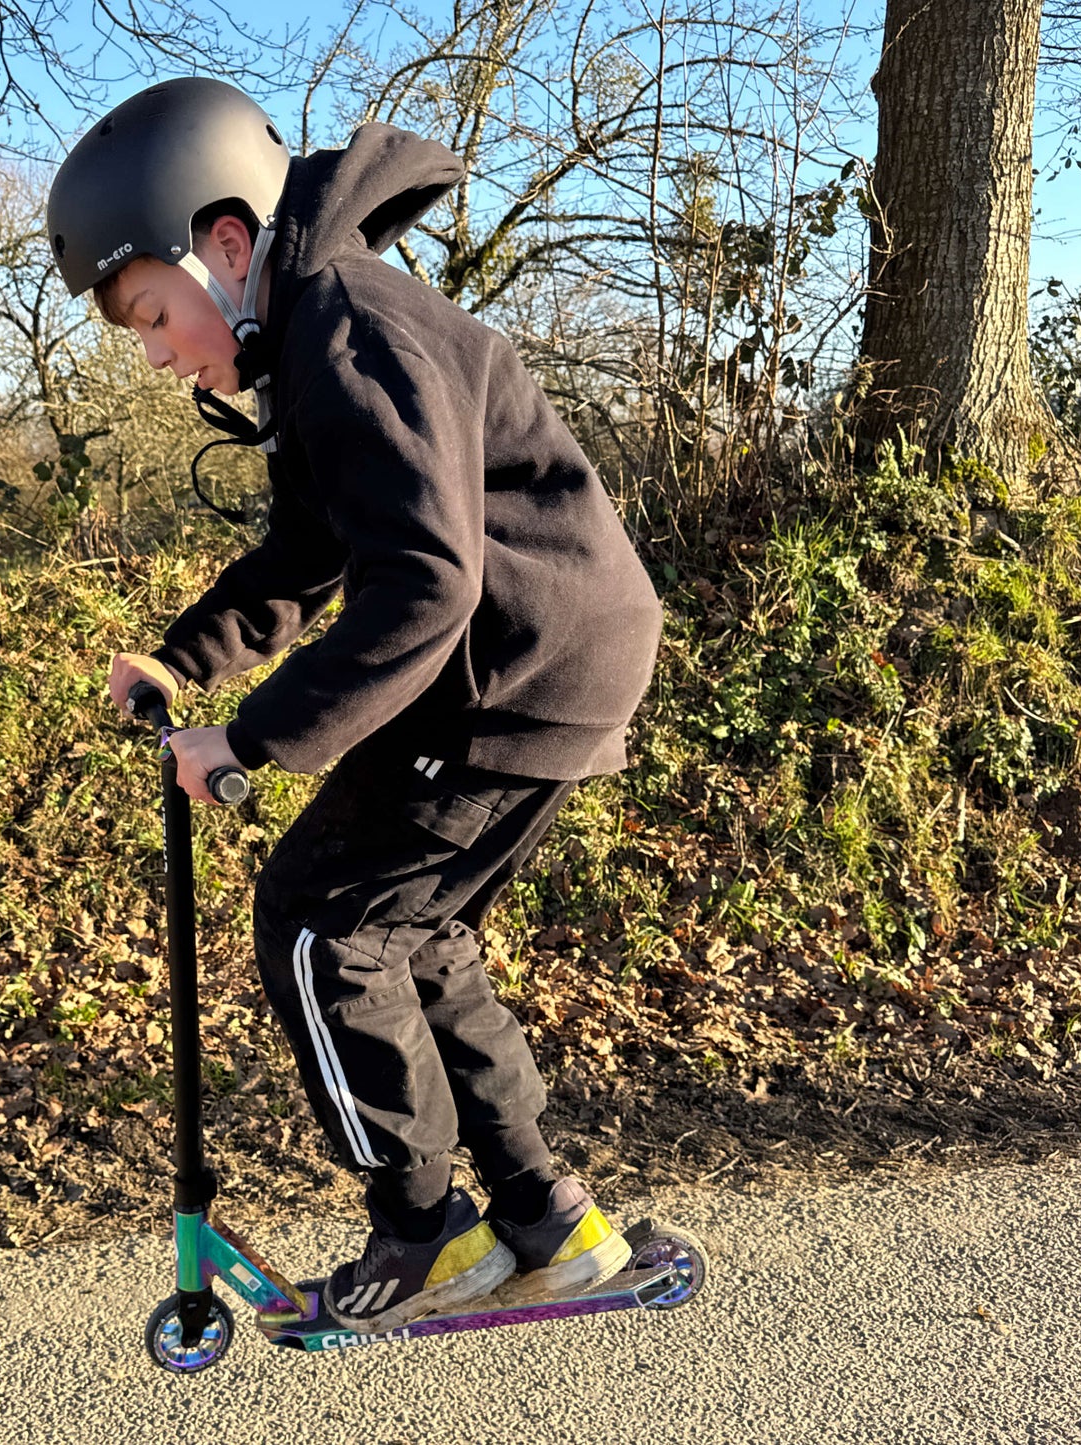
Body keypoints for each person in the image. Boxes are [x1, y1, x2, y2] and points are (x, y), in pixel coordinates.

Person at [47, 76, 664, 1333]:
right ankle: (551, 1221)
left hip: (510, 667)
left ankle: (424, 1232)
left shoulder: (346, 327)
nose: (162, 353)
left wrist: (258, 739)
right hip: (541, 659)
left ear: (225, 245)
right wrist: (184, 661)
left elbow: (425, 581)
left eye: (155, 315)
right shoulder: (319, 332)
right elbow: (314, 547)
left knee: (321, 919)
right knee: (410, 930)